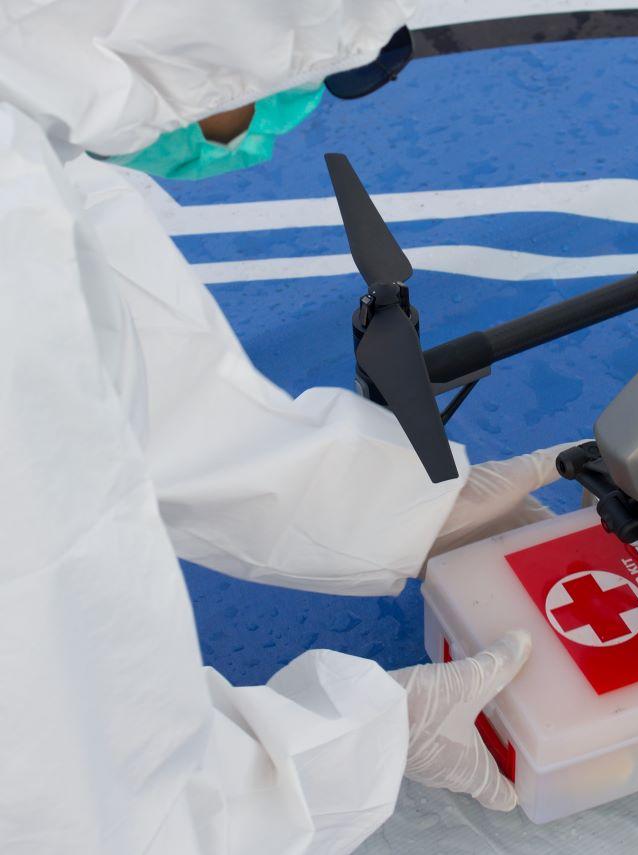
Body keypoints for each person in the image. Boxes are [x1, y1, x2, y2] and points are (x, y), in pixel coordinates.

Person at [0, 2, 566, 852]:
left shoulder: (27, 120)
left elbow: (117, 361)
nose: (267, 122)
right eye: (285, 79)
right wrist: (360, 743)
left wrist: (405, 509)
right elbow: (77, 803)